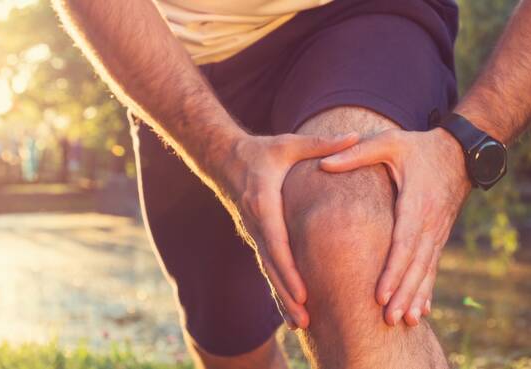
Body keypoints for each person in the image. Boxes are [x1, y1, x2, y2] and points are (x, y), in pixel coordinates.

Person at [52, 0, 529, 368]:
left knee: (345, 232)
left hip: (356, 18)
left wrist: (466, 141)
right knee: (232, 346)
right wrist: (220, 152)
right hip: (176, 57)